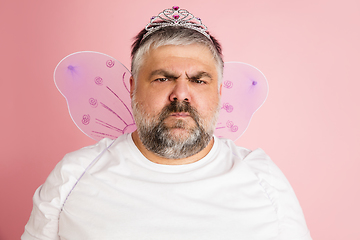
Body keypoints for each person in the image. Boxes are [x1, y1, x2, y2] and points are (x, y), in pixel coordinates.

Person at [22, 6, 312, 240]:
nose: (181, 94)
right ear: (133, 87)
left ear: (220, 92)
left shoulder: (264, 180)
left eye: (198, 80)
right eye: (163, 78)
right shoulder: (72, 176)